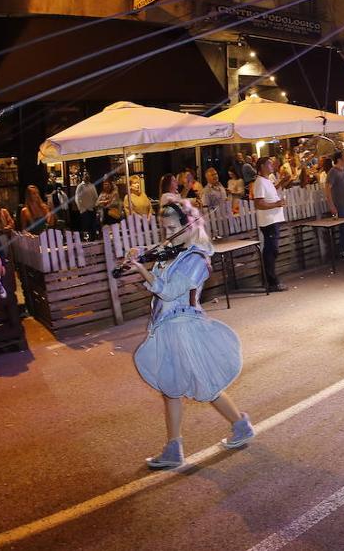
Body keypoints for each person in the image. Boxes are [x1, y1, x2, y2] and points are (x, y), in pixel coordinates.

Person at [124, 200, 254, 469]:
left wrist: (142, 270)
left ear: (189, 225)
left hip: (183, 327)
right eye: (164, 229)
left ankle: (239, 426)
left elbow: (169, 291)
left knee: (203, 385)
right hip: (168, 326)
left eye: (173, 227)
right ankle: (175, 447)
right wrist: (142, 257)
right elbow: (159, 285)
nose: (167, 234)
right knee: (170, 387)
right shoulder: (174, 253)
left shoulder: (196, 258)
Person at [250, 157, 288, 293]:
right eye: (268, 164)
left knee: (273, 250)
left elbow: (271, 193)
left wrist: (282, 182)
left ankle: (271, 280)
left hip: (273, 220)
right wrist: (276, 204)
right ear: (261, 167)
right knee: (271, 251)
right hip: (269, 221)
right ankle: (272, 282)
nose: (272, 165)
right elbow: (258, 203)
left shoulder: (267, 180)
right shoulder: (259, 182)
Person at [75, 172, 99, 237]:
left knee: (93, 225)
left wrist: (96, 206)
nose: (87, 176)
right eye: (85, 175)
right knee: (86, 225)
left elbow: (95, 196)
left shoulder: (92, 185)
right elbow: (77, 198)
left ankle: (93, 238)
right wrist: (81, 208)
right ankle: (86, 239)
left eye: (88, 175)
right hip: (84, 209)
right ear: (82, 177)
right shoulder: (80, 186)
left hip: (92, 208)